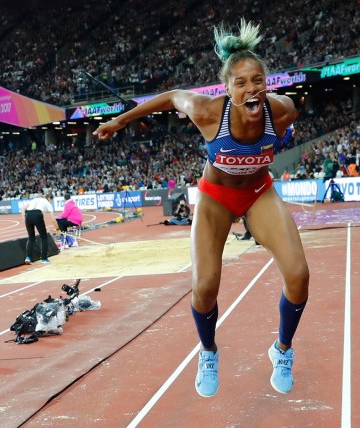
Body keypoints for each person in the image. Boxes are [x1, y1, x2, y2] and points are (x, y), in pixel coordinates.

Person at [94, 19, 309, 398]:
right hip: (215, 197)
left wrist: (282, 136)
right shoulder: (209, 111)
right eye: (240, 83)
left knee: (299, 275)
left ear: (267, 82)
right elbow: (172, 95)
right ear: (226, 89)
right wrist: (120, 121)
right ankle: (208, 352)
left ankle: (282, 350)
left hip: (260, 192)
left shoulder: (283, 110)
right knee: (205, 285)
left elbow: (288, 125)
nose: (251, 88)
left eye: (257, 80)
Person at [21, 193, 59, 264]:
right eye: (51, 201)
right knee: (44, 237)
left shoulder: (34, 200)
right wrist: (57, 229)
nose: (51, 202)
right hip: (37, 215)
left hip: (28, 216)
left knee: (31, 238)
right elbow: (53, 219)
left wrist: (24, 218)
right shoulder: (47, 203)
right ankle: (44, 258)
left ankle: (28, 257)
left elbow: (23, 209)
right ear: (49, 199)